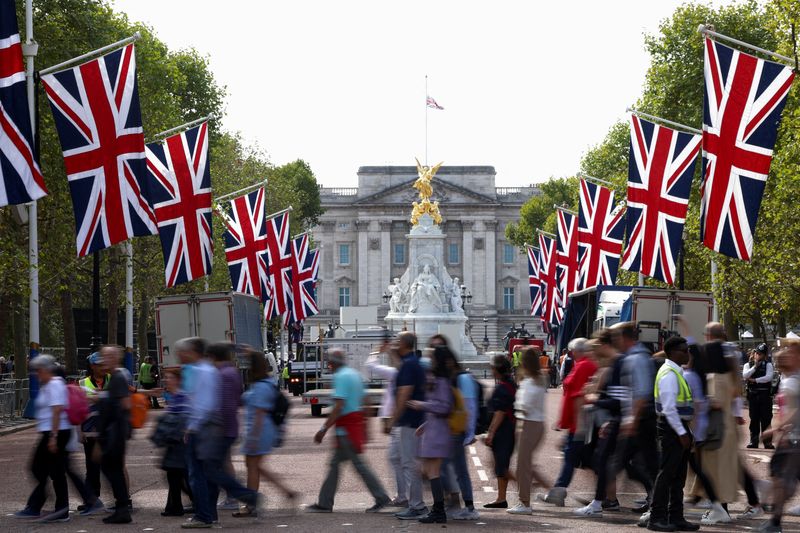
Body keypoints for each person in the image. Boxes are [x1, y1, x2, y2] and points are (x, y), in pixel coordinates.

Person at [178, 338, 258, 528]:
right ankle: (209, 513)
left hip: (214, 429)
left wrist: (196, 426)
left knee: (206, 473)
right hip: (220, 428)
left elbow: (213, 404)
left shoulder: (217, 373)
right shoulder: (226, 372)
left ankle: (243, 497)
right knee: (209, 473)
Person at [306, 348, 390, 513]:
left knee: (357, 466)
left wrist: (323, 429)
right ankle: (325, 502)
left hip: (345, 429)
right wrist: (366, 427)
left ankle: (381, 497)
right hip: (353, 426)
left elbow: (338, 407)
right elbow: (366, 401)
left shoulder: (340, 377)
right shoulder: (354, 374)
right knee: (336, 465)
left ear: (331, 364)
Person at [686, 323, 738, 525]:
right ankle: (719, 509)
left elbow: (714, 403)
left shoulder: (715, 377)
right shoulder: (729, 375)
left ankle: (720, 510)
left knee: (713, 471)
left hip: (715, 430)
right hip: (726, 429)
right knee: (720, 471)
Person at [646, 336, 699, 532]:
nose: (688, 354)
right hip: (671, 428)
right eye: (684, 350)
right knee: (667, 474)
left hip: (678, 427)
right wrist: (681, 433)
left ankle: (675, 517)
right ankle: (656, 517)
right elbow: (669, 409)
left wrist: (688, 431)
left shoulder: (677, 372)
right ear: (673, 353)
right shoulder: (669, 374)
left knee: (678, 476)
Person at [538, 337, 598, 506]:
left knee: (571, 456)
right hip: (576, 421)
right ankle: (605, 494)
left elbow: (578, 396)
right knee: (583, 458)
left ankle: (559, 492)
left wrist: (576, 424)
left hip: (579, 422)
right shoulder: (582, 364)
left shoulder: (585, 365)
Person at [13, 355, 73, 522]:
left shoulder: (54, 384)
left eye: (38, 370)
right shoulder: (49, 384)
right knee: (52, 471)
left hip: (56, 432)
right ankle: (54, 507)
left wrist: (53, 437)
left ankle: (43, 505)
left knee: (40, 468)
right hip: (54, 431)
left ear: (46, 369)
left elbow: (56, 410)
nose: (36, 374)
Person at [236, 348, 295, 517]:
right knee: (255, 467)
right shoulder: (266, 384)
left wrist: (253, 437)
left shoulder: (261, 387)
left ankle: (251, 505)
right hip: (261, 430)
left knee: (253, 467)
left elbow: (260, 415)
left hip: (260, 431)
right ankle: (286, 492)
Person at [609, 322, 658, 514]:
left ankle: (658, 505)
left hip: (641, 421)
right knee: (633, 464)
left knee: (639, 464)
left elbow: (642, 392)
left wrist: (632, 421)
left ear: (625, 338)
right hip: (637, 420)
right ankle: (655, 502)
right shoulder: (633, 357)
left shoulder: (637, 359)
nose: (614, 342)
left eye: (616, 338)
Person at [406, 346, 455, 523]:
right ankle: (439, 507)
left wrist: (422, 405)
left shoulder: (441, 381)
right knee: (427, 470)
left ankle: (439, 509)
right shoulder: (437, 379)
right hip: (433, 430)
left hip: (438, 433)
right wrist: (425, 424)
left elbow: (444, 407)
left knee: (431, 471)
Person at [384, 331, 429, 520]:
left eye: (397, 340)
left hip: (409, 420)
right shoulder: (409, 363)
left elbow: (404, 393)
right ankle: (407, 498)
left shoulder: (410, 365)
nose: (394, 342)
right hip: (408, 420)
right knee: (396, 457)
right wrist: (392, 354)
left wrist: (393, 418)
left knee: (410, 463)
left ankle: (416, 505)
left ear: (404, 343)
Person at [759, 341, 800, 533]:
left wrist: (773, 430)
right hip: (791, 438)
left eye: (789, 351)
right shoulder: (788, 379)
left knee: (780, 479)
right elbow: (782, 410)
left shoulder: (793, 381)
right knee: (781, 479)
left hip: (794, 439)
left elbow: (792, 411)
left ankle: (774, 523)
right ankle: (774, 521)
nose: (782, 353)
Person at [508, 346, 551, 515]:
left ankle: (524, 502)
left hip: (527, 424)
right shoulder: (540, 378)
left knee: (522, 466)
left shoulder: (529, 381)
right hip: (536, 423)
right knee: (525, 464)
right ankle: (541, 490)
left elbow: (523, 405)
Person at [96, 345, 133, 523]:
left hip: (114, 434)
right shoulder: (115, 378)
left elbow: (125, 405)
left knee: (112, 470)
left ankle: (123, 509)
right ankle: (122, 508)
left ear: (116, 358)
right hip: (114, 433)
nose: (104, 360)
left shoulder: (117, 377)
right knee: (112, 470)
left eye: (108, 357)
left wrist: (115, 432)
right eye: (103, 357)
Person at [365, 346, 406, 508]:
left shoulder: (396, 373)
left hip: (396, 419)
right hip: (396, 418)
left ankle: (405, 496)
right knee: (400, 458)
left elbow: (371, 366)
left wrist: (376, 351)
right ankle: (404, 494)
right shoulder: (399, 372)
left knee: (398, 458)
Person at [209, 343, 244, 512]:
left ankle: (238, 495)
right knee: (224, 461)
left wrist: (220, 425)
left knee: (217, 464)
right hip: (229, 425)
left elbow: (226, 404)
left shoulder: (223, 374)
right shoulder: (232, 371)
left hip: (223, 426)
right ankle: (233, 496)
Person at [157, 367, 194, 517]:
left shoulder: (182, 397)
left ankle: (189, 503)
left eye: (169, 378)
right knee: (175, 475)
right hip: (175, 442)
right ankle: (176, 506)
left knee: (178, 474)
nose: (166, 380)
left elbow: (185, 419)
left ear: (178, 380)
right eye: (165, 377)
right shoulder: (174, 396)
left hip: (180, 443)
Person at [483, 354, 517, 508]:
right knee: (500, 464)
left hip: (504, 429)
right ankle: (501, 497)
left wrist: (491, 432)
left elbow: (500, 412)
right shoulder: (510, 384)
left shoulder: (503, 387)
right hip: (509, 428)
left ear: (496, 369)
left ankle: (504, 496)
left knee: (501, 464)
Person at [79, 352, 108, 508]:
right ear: (91, 366)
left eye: (103, 364)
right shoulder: (82, 383)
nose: (102, 367)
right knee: (91, 467)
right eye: (98, 364)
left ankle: (123, 499)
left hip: (108, 430)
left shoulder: (112, 379)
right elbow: (79, 409)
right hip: (90, 430)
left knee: (112, 466)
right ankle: (91, 498)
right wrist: (80, 430)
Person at [743, 343, 775, 449]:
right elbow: (745, 375)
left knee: (766, 419)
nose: (759, 355)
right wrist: (755, 367)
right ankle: (754, 441)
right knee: (754, 420)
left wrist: (755, 380)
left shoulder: (768, 365)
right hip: (753, 395)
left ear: (765, 355)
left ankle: (767, 442)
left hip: (765, 395)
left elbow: (769, 377)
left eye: (761, 354)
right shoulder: (748, 364)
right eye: (757, 353)